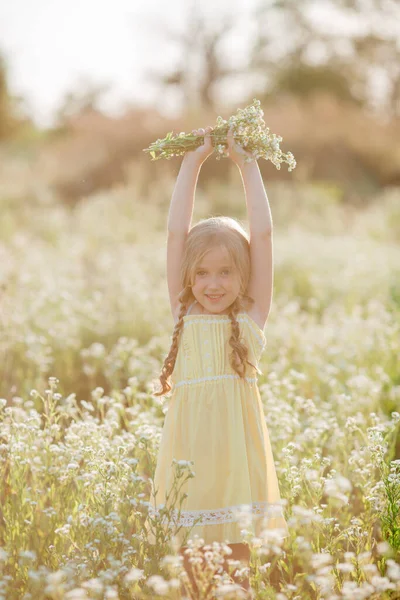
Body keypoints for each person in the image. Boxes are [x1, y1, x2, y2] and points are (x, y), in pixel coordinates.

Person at [148, 125, 289, 595]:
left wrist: (247, 164)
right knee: (195, 573)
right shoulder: (183, 311)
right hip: (188, 455)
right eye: (202, 272)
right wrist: (192, 163)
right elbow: (174, 234)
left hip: (236, 458)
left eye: (226, 271)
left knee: (238, 572)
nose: (213, 283)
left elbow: (264, 235)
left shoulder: (251, 317)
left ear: (242, 274)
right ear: (189, 276)